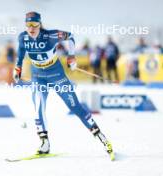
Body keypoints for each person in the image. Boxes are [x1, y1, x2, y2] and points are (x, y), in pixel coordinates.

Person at [13, 12, 114, 159]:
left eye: (35, 24)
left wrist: (72, 56)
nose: (31, 28)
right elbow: (21, 52)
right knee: (38, 108)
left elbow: (71, 36)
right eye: (28, 25)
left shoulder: (51, 35)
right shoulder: (23, 37)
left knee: (74, 106)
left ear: (40, 24)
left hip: (56, 75)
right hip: (38, 77)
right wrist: (18, 68)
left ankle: (102, 138)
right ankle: (44, 143)